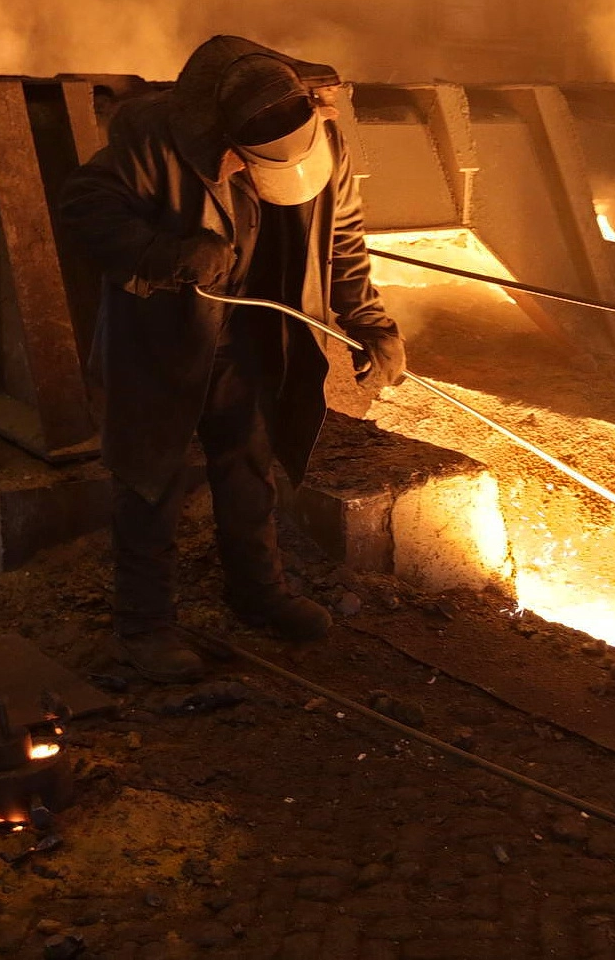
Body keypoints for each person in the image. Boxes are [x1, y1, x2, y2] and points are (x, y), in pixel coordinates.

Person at [59, 35, 406, 682]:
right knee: (152, 478)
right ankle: (144, 626)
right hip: (163, 338)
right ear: (224, 145)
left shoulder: (319, 128)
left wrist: (367, 317)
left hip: (252, 332)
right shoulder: (153, 135)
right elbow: (83, 205)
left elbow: (344, 234)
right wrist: (163, 252)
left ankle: (256, 591)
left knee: (248, 467)